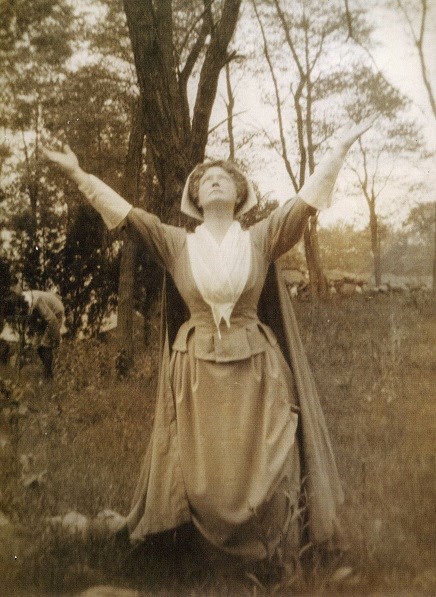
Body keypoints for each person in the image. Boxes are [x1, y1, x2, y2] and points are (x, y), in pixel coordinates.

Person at [42, 118, 373, 565]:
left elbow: (303, 204)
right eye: (204, 180)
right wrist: (77, 172)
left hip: (258, 365)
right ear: (195, 198)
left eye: (225, 178)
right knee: (201, 466)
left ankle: (274, 551)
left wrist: (338, 148)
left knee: (272, 453)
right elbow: (125, 215)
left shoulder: (261, 237)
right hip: (195, 367)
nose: (214, 180)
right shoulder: (176, 243)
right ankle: (195, 552)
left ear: (239, 195)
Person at [9, 285, 64, 379]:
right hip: (42, 315)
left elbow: (52, 320)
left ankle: (48, 375)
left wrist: (55, 339)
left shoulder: (35, 301)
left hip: (56, 312)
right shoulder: (21, 300)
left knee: (45, 345)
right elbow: (28, 319)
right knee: (37, 345)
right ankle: (46, 370)